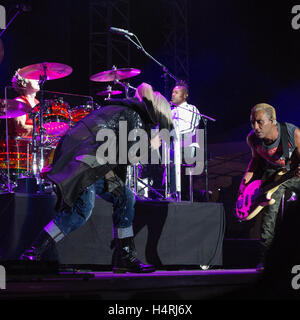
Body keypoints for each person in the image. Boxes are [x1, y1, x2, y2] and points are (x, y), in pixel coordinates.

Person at [19, 83, 174, 274]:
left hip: (92, 162)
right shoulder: (135, 115)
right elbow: (130, 155)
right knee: (79, 213)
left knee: (125, 196)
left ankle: (125, 256)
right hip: (87, 163)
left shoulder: (127, 109)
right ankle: (33, 252)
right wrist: (151, 144)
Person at [238, 103, 300, 268]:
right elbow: (256, 161)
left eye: (260, 122)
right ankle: (267, 262)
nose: (255, 127)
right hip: (273, 179)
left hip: (294, 175)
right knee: (268, 219)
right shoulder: (252, 139)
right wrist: (246, 182)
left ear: (273, 121)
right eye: (253, 122)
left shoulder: (293, 134)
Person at [170, 80, 201, 199]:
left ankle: (187, 196)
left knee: (185, 169)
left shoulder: (192, 109)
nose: (173, 94)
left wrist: (173, 133)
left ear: (185, 95)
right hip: (173, 145)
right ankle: (172, 194)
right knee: (169, 163)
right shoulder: (171, 111)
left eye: (176, 92)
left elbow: (191, 127)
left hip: (186, 144)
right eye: (173, 92)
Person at [9, 69, 40, 137]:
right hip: (20, 146)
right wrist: (45, 130)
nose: (38, 80)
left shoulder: (37, 103)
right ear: (24, 84)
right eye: (33, 78)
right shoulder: (19, 103)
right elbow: (21, 130)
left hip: (34, 145)